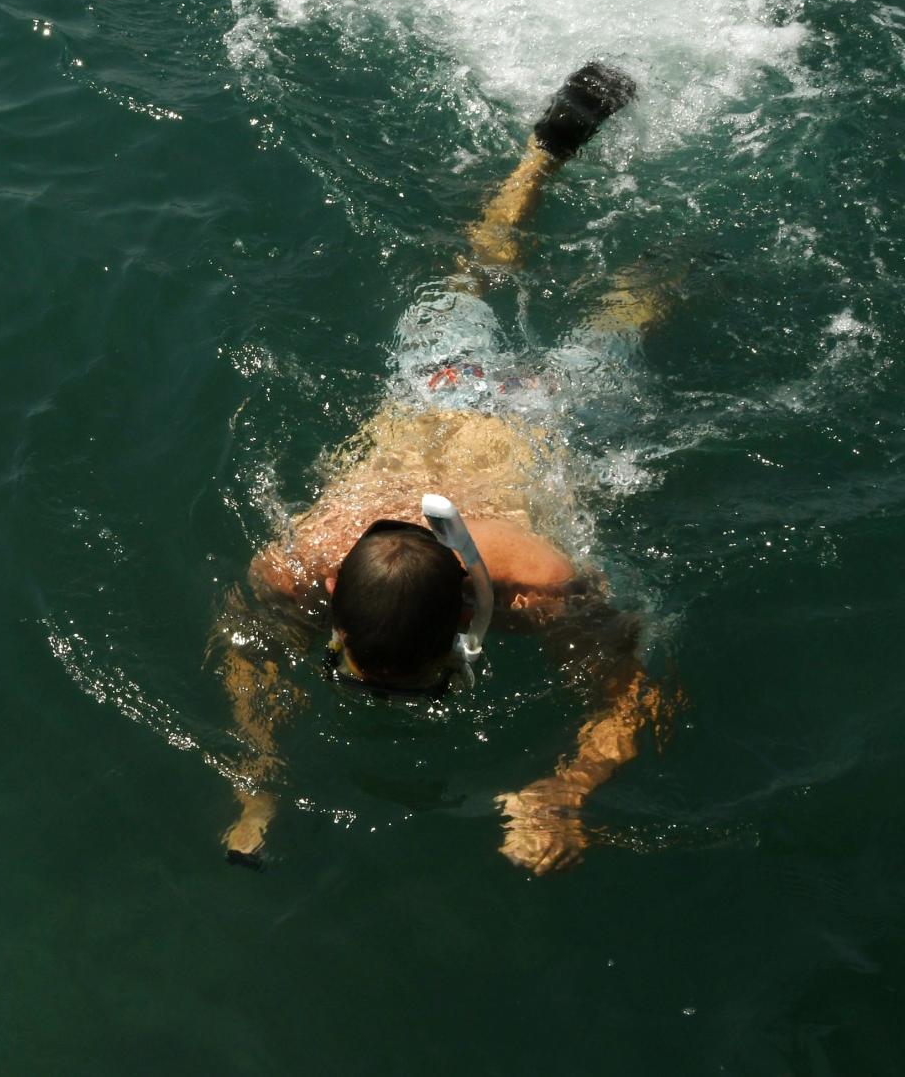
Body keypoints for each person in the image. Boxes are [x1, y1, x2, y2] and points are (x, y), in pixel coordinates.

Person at [217, 63, 669, 874]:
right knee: (484, 275)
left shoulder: (539, 589)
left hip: (532, 411)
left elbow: (638, 696)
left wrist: (567, 792)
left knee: (609, 311)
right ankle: (543, 160)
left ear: (468, 617)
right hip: (447, 390)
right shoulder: (299, 566)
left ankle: (671, 248)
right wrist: (259, 781)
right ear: (336, 600)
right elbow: (243, 648)